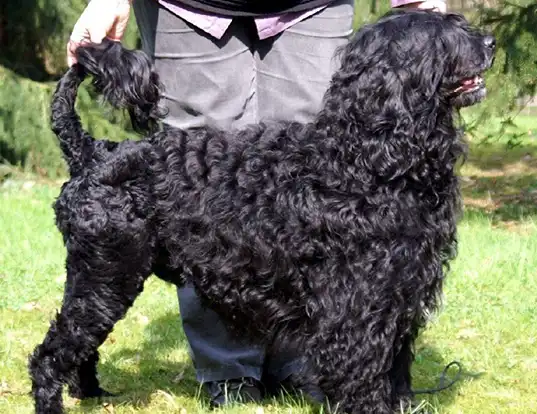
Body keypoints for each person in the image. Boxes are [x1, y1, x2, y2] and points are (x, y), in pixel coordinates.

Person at [67, 0, 447, 407]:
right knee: (201, 168)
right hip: (190, 5)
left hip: (311, 5)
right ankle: (228, 372)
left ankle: (305, 363)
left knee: (314, 164)